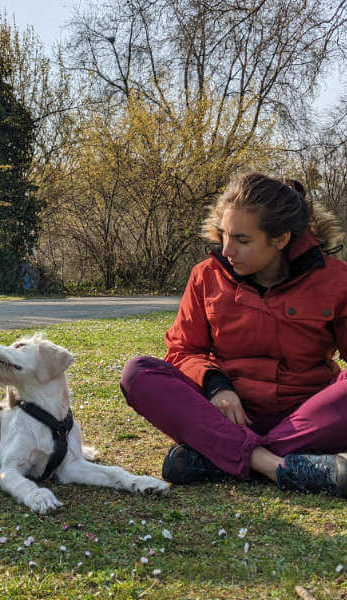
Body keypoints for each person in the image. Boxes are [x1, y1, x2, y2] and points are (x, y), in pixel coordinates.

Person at [120, 172, 347, 497]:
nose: (227, 249)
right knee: (138, 373)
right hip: (226, 416)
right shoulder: (205, 275)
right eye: (224, 235)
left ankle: (219, 457)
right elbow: (182, 350)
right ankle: (275, 465)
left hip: (306, 419)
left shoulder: (337, 280)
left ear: (280, 239)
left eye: (242, 240)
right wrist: (216, 386)